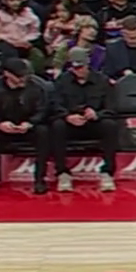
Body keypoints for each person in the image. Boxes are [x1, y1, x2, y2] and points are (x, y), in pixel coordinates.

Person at [0, 58, 52, 195]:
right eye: (19, 76)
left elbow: (42, 111)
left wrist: (30, 123)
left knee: (43, 131)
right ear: (7, 74)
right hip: (4, 127)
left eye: (25, 75)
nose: (23, 79)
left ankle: (40, 179)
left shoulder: (36, 87)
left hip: (28, 127)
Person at [49, 47, 117, 193]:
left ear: (88, 64)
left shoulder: (102, 81)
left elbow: (112, 107)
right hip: (70, 122)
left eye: (81, 67)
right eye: (74, 68)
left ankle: (107, 172)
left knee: (110, 125)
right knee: (57, 126)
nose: (78, 71)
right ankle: (62, 173)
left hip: (93, 122)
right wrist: (67, 116)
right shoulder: (62, 81)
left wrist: (96, 114)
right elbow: (55, 104)